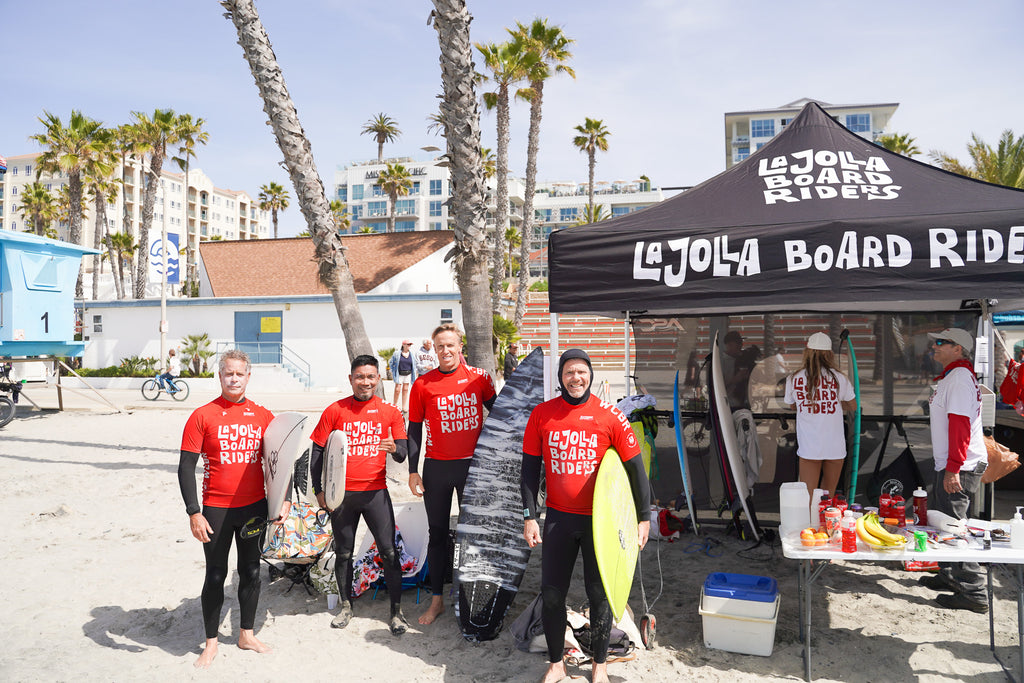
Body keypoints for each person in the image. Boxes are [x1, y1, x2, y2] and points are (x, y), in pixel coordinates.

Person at [521, 349, 651, 683]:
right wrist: (530, 515)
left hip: (602, 525)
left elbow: (635, 470)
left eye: (581, 372)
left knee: (599, 595)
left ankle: (600, 665)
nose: (576, 378)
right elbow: (529, 471)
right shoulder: (543, 415)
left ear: (590, 375)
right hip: (559, 520)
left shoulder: (610, 416)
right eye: (569, 372)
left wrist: (643, 516)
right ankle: (555, 665)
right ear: (560, 377)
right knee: (552, 593)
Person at [177, 349, 283, 669]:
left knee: (251, 571)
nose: (234, 378)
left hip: (254, 508)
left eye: (240, 373)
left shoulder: (264, 416)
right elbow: (185, 467)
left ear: (248, 377)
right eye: (228, 373)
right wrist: (194, 512)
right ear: (220, 376)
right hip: (217, 510)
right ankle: (210, 643)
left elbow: (283, 462)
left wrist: (284, 500)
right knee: (216, 574)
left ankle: (246, 634)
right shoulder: (202, 415)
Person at [309, 354, 411, 635]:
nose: (365, 382)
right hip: (342, 496)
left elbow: (402, 454)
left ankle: (396, 612)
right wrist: (319, 490)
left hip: (375, 492)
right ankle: (346, 606)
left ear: (378, 379)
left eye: (370, 377)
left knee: (389, 553)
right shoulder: (335, 410)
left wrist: (394, 449)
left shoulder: (389, 412)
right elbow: (317, 451)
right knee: (343, 553)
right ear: (351, 378)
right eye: (359, 377)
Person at [407, 323, 496, 625]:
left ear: (461, 347)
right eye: (440, 346)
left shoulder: (480, 378)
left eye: (450, 345)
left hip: (473, 466)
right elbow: (414, 430)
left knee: (476, 535)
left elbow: (499, 416)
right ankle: (437, 602)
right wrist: (412, 471)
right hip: (437, 468)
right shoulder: (423, 384)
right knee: (437, 534)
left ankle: (475, 598)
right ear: (433, 349)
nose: (445, 350)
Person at [919, 327, 988, 613]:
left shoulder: (958, 378)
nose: (933, 346)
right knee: (945, 522)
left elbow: (959, 427)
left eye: (940, 342)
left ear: (957, 348)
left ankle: (974, 592)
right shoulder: (955, 376)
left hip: (960, 465)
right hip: (955, 462)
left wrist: (953, 469)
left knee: (956, 528)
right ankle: (950, 576)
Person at [784, 332, 857, 497]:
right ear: (830, 354)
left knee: (808, 497)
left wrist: (813, 403)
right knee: (827, 496)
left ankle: (811, 523)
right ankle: (825, 523)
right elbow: (853, 406)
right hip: (835, 446)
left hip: (810, 446)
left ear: (807, 352)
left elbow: (793, 405)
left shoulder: (793, 378)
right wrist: (834, 403)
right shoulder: (840, 378)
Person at [389, 340, 417, 415]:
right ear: (403, 345)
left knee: (405, 389)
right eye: (408, 344)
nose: (409, 346)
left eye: (410, 345)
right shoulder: (397, 353)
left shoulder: (411, 354)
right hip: (399, 373)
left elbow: (414, 364)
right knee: (397, 389)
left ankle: (404, 406)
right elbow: (391, 363)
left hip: (408, 373)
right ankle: (394, 405)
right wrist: (393, 371)